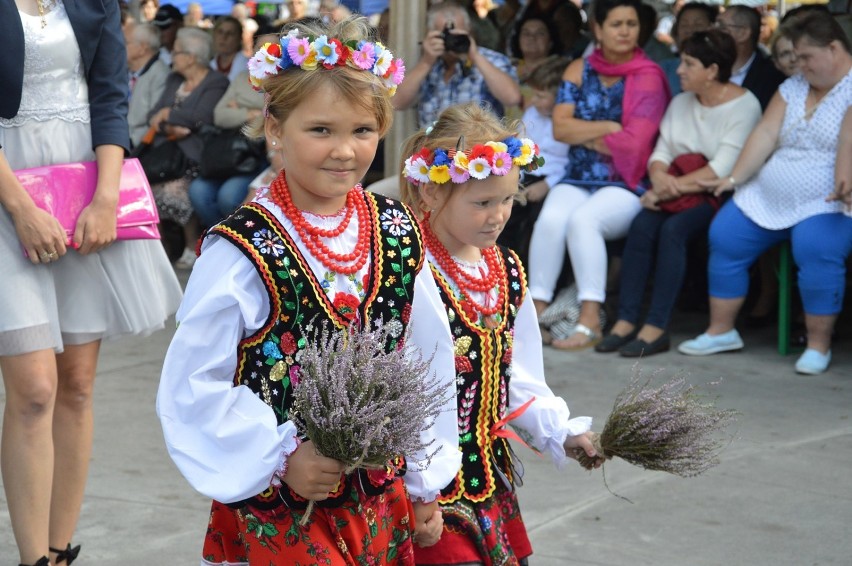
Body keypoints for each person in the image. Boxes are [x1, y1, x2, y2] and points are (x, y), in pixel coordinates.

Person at [157, 16, 462, 564]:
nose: (345, 151)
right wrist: (280, 457)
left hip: (377, 495)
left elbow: (426, 359)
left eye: (362, 131)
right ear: (274, 126)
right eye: (321, 130)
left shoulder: (395, 230)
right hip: (280, 503)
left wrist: (424, 480)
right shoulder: (242, 247)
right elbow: (194, 382)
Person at [0, 1, 182, 564]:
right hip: (9, 190)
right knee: (33, 390)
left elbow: (109, 97)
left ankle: (58, 552)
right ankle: (33, 561)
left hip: (82, 186)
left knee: (76, 384)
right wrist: (22, 209)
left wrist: (107, 199)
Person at [399, 102, 602, 565]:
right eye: (482, 203)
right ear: (431, 194)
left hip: (486, 482)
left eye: (507, 199)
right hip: (423, 488)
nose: (498, 216)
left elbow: (518, 377)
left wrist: (559, 431)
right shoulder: (410, 272)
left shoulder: (506, 269)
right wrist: (417, 484)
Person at [679, 10, 852, 375]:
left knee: (817, 249)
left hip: (829, 200)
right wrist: (736, 178)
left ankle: (818, 344)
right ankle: (721, 330)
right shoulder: (793, 88)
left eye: (805, 57)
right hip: (770, 193)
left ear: (834, 48)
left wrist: (844, 181)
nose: (799, 65)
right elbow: (765, 135)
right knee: (725, 233)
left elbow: (849, 142)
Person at [596, 29, 761, 358]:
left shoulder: (745, 105)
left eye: (688, 63)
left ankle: (656, 327)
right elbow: (662, 151)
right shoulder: (682, 101)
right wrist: (659, 177)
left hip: (716, 195)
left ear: (712, 71)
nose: (679, 70)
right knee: (642, 226)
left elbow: (721, 168)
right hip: (673, 189)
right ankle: (626, 320)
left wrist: (663, 192)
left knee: (673, 231)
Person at [526, 0, 670, 350]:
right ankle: (535, 315)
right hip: (578, 176)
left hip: (627, 182)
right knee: (551, 220)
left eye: (631, 24)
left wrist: (585, 131)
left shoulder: (648, 75)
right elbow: (560, 129)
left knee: (584, 222)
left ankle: (591, 317)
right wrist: (609, 127)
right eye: (616, 24)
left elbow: (636, 146)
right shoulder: (579, 68)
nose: (624, 31)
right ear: (598, 29)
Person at [145, 27, 229, 268]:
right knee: (145, 189)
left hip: (196, 158)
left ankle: (191, 244)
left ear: (191, 57)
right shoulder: (174, 80)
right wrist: (171, 127)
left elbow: (202, 118)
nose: (172, 56)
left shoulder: (216, 83)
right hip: (166, 154)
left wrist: (169, 114)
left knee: (173, 190)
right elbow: (154, 114)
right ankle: (160, 248)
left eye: (177, 52)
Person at [393, 0, 521, 129]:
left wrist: (474, 56)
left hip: (478, 146)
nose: (451, 40)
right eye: (446, 35)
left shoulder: (491, 60)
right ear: (431, 33)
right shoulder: (428, 63)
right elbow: (396, 102)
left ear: (469, 31)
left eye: (457, 35)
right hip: (432, 146)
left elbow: (512, 98)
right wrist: (426, 62)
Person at [187, 33, 271, 230]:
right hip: (227, 152)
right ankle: (221, 237)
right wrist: (250, 112)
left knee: (228, 196)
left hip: (256, 155)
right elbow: (220, 115)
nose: (261, 53)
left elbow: (270, 118)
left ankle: (235, 238)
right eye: (257, 48)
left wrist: (239, 108)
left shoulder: (282, 82)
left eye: (268, 49)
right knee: (198, 191)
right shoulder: (243, 78)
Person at [498, 55, 571, 267]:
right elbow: (519, 147)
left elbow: (569, 163)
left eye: (540, 95)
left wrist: (547, 186)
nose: (534, 100)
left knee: (539, 224)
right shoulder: (532, 113)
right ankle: (503, 266)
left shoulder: (570, 123)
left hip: (554, 180)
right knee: (506, 217)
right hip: (526, 174)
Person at [715, 4, 786, 111]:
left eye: (721, 26)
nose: (712, 31)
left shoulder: (773, 77)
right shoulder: (705, 66)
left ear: (743, 34)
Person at [658, 2, 718, 96]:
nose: (690, 30)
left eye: (698, 24)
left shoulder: (719, 68)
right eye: (684, 25)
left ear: (712, 28)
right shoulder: (665, 68)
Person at [126, 22, 170, 147]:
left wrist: (132, 142)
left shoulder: (160, 75)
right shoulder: (125, 71)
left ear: (142, 49)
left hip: (139, 146)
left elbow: (154, 121)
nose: (120, 46)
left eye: (126, 42)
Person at [210, 16, 249, 83]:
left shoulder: (247, 67)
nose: (224, 37)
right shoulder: (209, 65)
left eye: (230, 33)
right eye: (220, 32)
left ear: (239, 38)